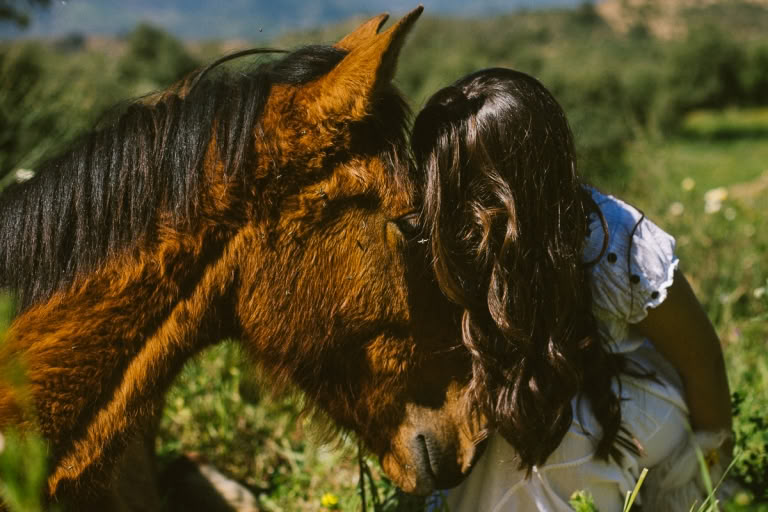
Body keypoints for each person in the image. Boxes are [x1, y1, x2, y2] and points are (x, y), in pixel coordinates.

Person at [410, 68, 733, 511]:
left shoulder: (617, 242)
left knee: (555, 446)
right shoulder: (439, 245)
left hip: (620, 401)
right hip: (517, 406)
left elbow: (701, 359)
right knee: (513, 436)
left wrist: (711, 474)